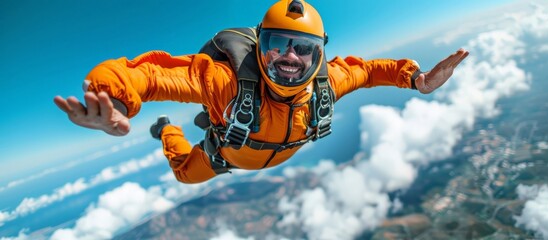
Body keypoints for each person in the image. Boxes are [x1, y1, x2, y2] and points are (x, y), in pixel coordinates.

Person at [54, 0, 469, 184]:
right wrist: (116, 99)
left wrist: (416, 79)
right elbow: (149, 72)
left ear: (318, 54)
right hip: (223, 155)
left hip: (255, 151)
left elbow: (368, 70)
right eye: (276, 44)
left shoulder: (327, 82)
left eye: (304, 48)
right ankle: (165, 130)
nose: (289, 56)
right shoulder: (225, 83)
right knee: (184, 174)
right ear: (259, 45)